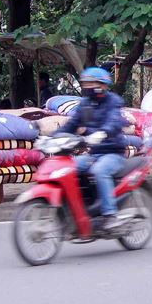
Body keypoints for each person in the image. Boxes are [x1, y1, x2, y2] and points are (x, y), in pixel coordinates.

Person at [57, 68, 127, 230]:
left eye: (91, 83)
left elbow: (114, 121)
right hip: (94, 153)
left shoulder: (113, 101)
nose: (87, 86)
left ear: (102, 85)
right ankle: (79, 209)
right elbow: (71, 125)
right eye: (85, 83)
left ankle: (110, 215)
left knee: (99, 171)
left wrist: (103, 133)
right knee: (67, 168)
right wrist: (51, 137)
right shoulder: (85, 104)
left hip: (113, 153)